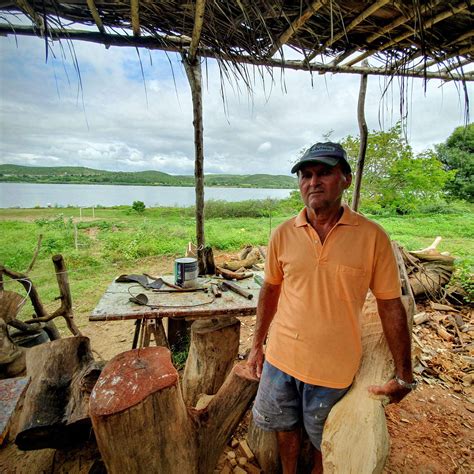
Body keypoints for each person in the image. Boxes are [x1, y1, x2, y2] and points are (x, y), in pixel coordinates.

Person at [247, 142, 416, 474]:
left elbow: (390, 306)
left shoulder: (372, 238)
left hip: (334, 370)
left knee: (327, 440)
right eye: (306, 175)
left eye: (324, 172)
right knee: (285, 429)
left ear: (346, 179)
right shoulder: (282, 234)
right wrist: (256, 346)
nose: (314, 182)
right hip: (281, 360)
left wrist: (404, 375)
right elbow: (270, 289)